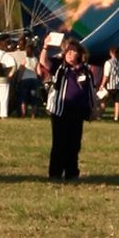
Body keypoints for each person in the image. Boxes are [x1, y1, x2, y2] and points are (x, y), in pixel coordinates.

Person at [46, 40, 99, 180]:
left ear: (79, 53)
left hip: (77, 112)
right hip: (60, 111)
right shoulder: (59, 66)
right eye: (67, 51)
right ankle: (55, 173)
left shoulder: (86, 71)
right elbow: (44, 62)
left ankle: (72, 172)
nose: (70, 54)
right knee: (59, 143)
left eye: (73, 51)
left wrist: (94, 108)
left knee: (74, 144)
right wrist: (45, 46)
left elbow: (91, 91)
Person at [102, 47, 119, 122]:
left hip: (110, 85)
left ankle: (100, 115)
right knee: (117, 102)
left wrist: (102, 84)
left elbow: (106, 75)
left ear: (111, 53)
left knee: (103, 100)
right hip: (118, 85)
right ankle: (116, 118)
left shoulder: (108, 62)